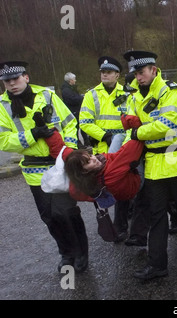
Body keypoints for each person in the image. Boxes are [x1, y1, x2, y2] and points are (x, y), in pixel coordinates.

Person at [0, 61, 89, 273]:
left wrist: (66, 149)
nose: (12, 84)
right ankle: (67, 253)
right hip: (33, 171)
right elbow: (4, 141)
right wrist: (34, 134)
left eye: (16, 79)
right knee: (49, 217)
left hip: (59, 164)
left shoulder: (47, 96)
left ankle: (81, 252)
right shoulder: (3, 106)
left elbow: (69, 122)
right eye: (7, 81)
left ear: (26, 77)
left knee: (66, 212)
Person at [123, 50, 177, 280]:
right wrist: (126, 154)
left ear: (154, 70)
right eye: (135, 73)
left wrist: (138, 133)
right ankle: (157, 265)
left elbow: (168, 123)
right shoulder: (133, 97)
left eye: (142, 72)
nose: (138, 77)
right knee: (157, 216)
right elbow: (129, 131)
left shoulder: (172, 92)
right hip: (154, 163)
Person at [79, 56, 131, 243]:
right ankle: (105, 221)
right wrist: (104, 135)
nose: (104, 75)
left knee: (121, 185)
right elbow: (84, 122)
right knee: (100, 189)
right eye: (102, 72)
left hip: (123, 147)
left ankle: (121, 225)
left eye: (108, 72)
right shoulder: (91, 95)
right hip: (101, 147)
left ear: (117, 75)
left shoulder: (127, 92)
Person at [61, 72, 88, 148]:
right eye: (74, 79)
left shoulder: (72, 88)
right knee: (75, 128)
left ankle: (86, 142)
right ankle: (78, 144)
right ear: (70, 80)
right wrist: (82, 98)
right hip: (73, 111)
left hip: (77, 110)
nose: (75, 80)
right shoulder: (66, 90)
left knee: (82, 126)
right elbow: (73, 99)